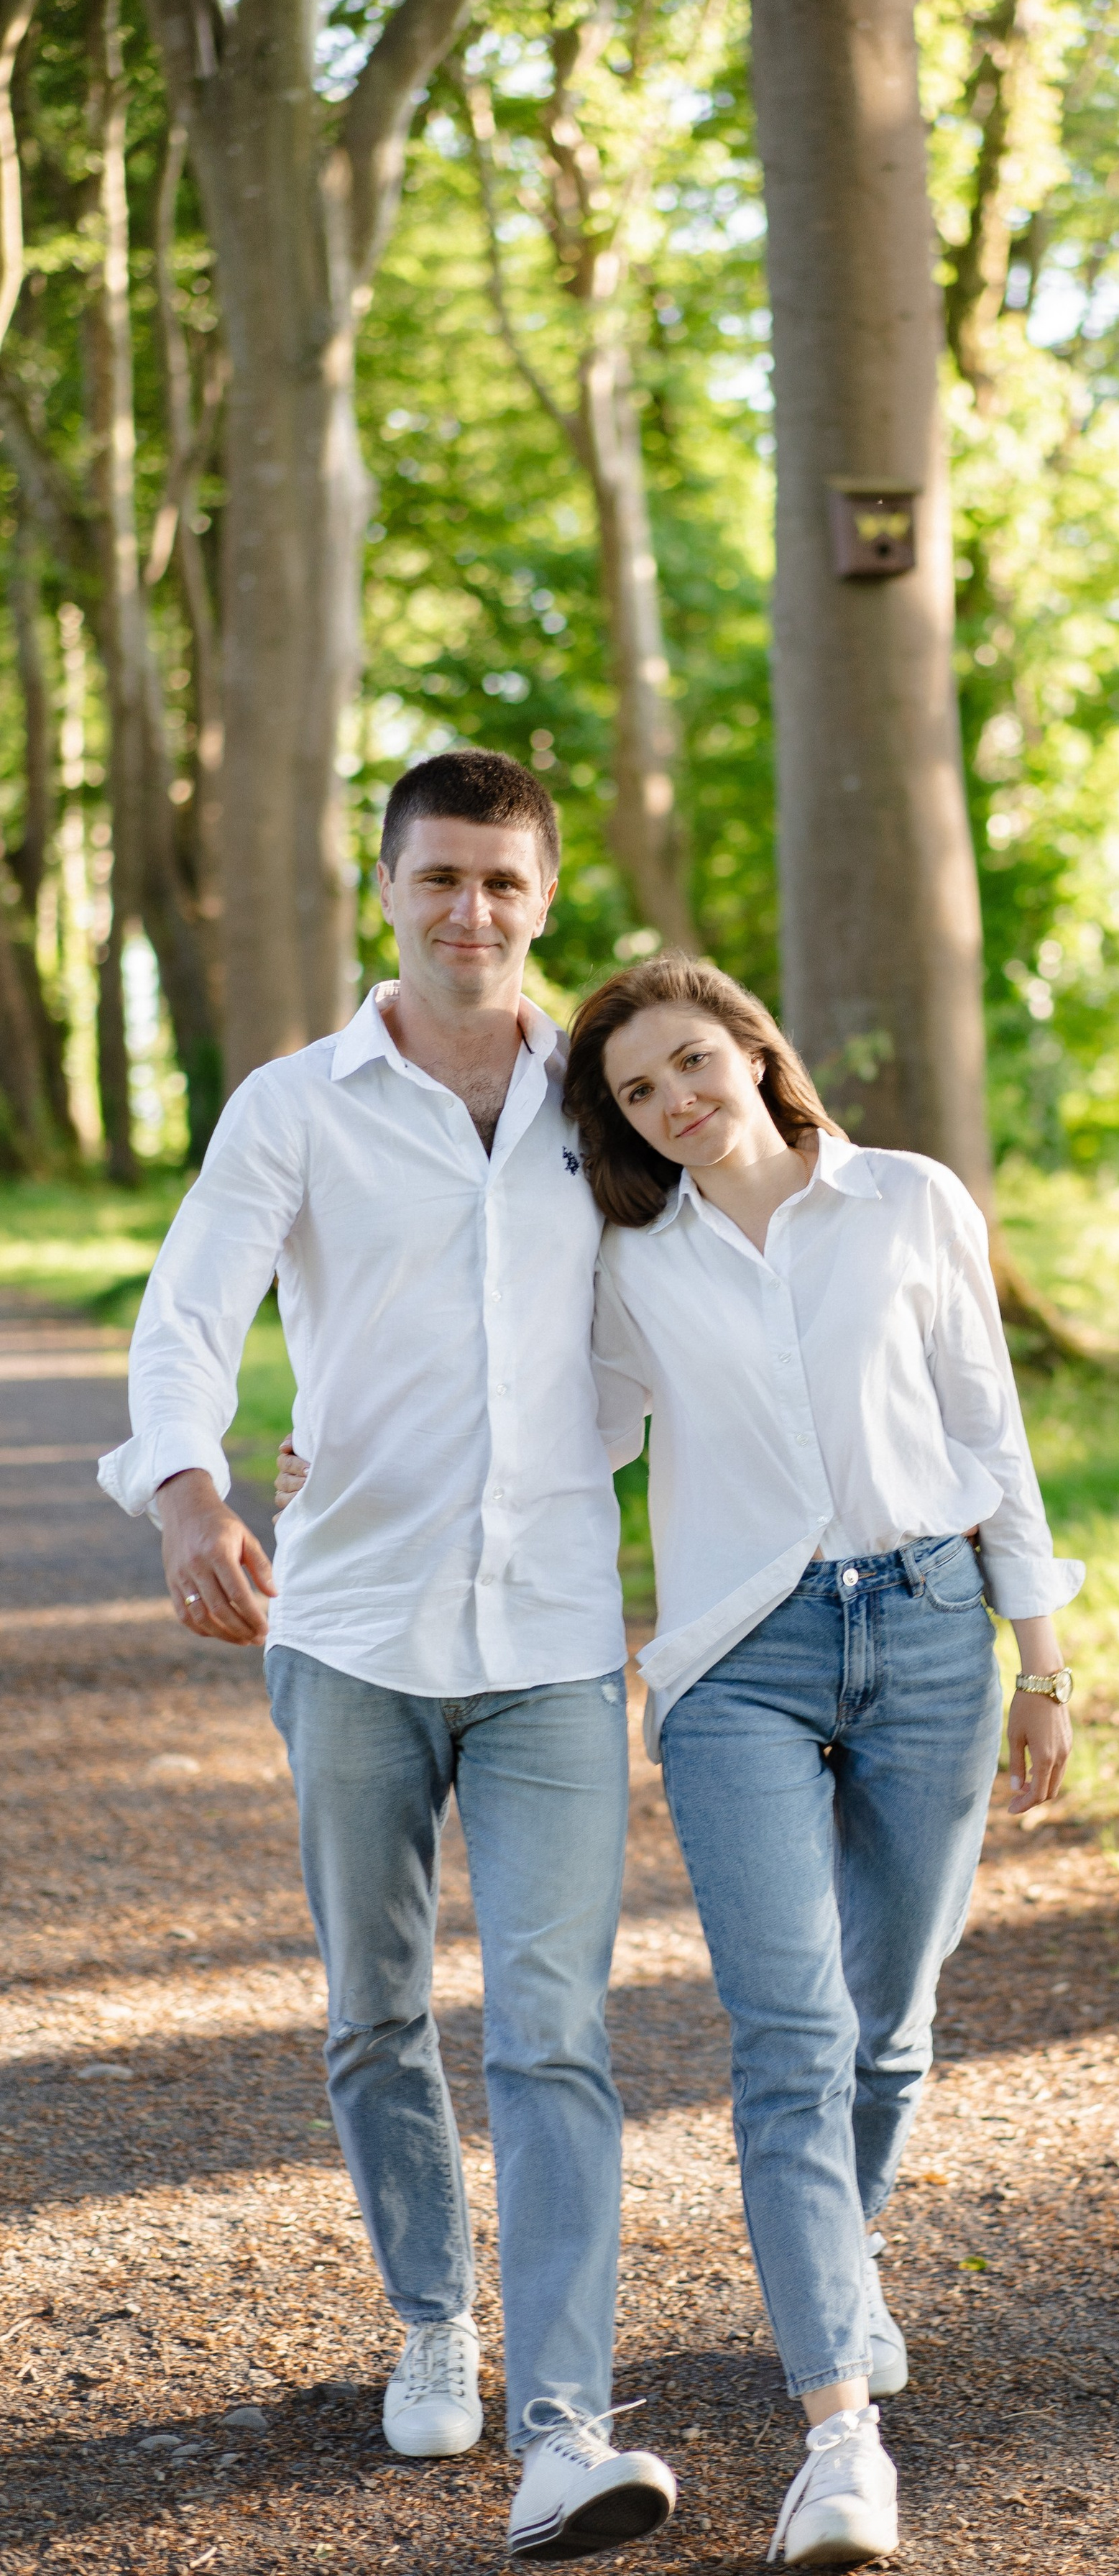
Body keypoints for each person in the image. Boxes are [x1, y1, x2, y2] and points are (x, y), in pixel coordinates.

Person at [98, 751, 675, 2564]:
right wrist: (193, 1496)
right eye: (438, 879)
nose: (469, 915)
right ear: (386, 885)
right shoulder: (296, 1104)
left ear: (544, 896)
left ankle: (566, 2416)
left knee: (560, 2031)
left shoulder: (607, 1099)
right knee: (374, 2011)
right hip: (347, 1628)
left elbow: (693, 1297)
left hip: (556, 1637)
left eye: (502, 884)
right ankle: (435, 2313)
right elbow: (189, 1309)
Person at [565, 953, 1082, 2569]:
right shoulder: (630, 1252)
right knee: (791, 2032)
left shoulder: (909, 1202)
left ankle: (828, 2272)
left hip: (932, 1631)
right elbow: (561, 1430)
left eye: (690, 1064)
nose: (674, 1105)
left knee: (892, 2021)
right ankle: (838, 2433)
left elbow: (986, 1428)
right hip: (738, 1660)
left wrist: (1042, 1665)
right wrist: (353, 1444)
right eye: (639, 1094)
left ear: (753, 1051)